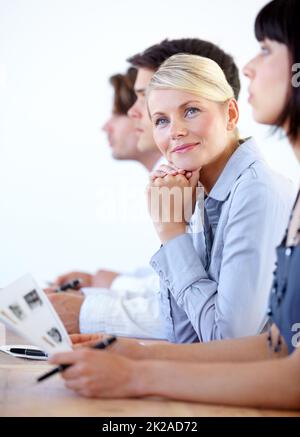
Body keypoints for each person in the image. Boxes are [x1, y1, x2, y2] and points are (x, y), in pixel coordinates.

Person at [50, 0, 300, 409]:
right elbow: (195, 337)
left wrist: (172, 235)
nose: (174, 131)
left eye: (191, 111)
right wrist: (133, 352)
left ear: (231, 113)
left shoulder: (256, 189)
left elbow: (228, 343)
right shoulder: (200, 187)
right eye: (162, 119)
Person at [48, 38, 253, 340]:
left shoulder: (246, 191)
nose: (133, 112)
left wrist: (90, 308)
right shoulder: (184, 183)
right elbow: (183, 297)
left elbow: (212, 324)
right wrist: (106, 284)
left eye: (142, 97)